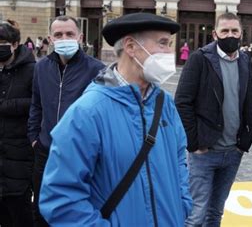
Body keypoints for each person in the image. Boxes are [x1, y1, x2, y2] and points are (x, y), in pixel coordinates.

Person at [39, 12, 192, 226]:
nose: (170, 52)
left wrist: (182, 204)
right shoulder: (87, 112)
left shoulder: (164, 102)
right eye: (163, 43)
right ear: (130, 47)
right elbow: (61, 198)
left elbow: (179, 159)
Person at [175, 12, 252, 226]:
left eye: (234, 31)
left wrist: (245, 142)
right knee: (195, 214)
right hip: (205, 153)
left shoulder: (246, 60)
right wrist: (194, 144)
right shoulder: (199, 59)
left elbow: (250, 101)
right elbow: (183, 102)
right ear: (215, 34)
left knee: (215, 212)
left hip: (232, 153)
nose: (230, 35)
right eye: (225, 31)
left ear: (241, 33)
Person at [27, 16, 105, 227]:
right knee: (41, 210)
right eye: (59, 34)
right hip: (45, 151)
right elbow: (36, 104)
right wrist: (34, 137)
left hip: (80, 155)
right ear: (51, 39)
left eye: (69, 34)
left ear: (80, 37)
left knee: (74, 212)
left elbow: (104, 114)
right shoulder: (41, 67)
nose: (64, 38)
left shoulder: (97, 69)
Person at [0, 20, 35, 227]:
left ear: (14, 44)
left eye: (2, 42)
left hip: (19, 157)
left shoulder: (32, 70)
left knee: (20, 215)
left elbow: (38, 104)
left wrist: (5, 106)